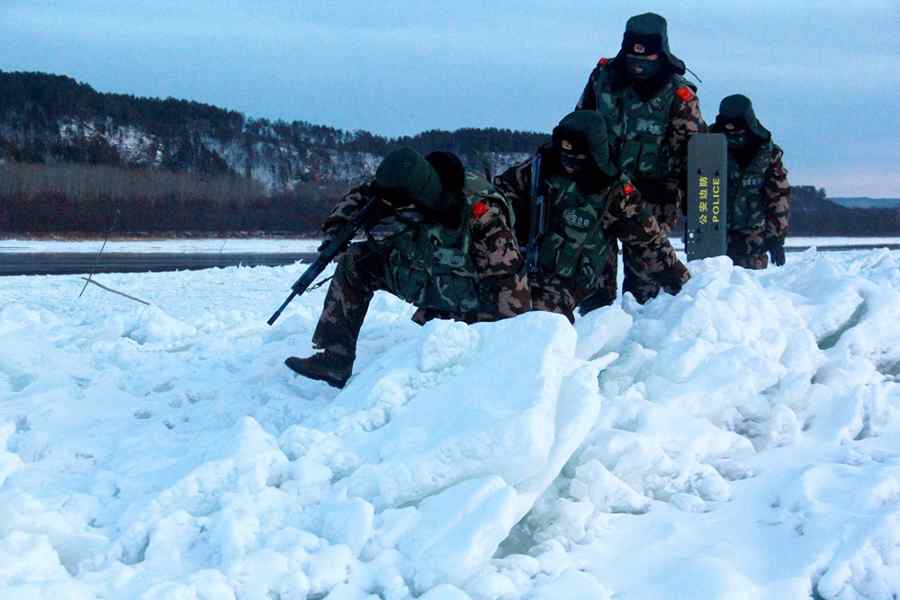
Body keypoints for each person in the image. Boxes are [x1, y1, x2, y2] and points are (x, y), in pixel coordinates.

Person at [285, 148, 529, 388]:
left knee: (443, 354)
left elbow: (511, 286)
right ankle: (334, 359)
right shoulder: (403, 178)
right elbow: (363, 193)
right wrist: (337, 226)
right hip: (427, 269)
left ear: (419, 198)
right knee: (356, 263)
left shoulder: (482, 212)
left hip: (470, 294)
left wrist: (505, 357)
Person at [493, 110, 689, 322]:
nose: (568, 164)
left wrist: (685, 285)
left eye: (576, 159)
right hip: (532, 271)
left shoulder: (616, 191)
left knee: (540, 323)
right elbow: (499, 199)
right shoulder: (536, 170)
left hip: (588, 285)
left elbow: (650, 242)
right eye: (564, 156)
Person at [575, 12, 705, 310]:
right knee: (594, 284)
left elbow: (693, 156)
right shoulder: (603, 80)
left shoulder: (680, 97)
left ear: (661, 54)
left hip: (652, 201)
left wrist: (690, 205)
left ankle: (646, 349)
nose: (639, 65)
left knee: (648, 293)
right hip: (601, 193)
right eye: (634, 58)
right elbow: (581, 123)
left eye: (647, 59)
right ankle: (599, 343)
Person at [710, 94, 790, 269]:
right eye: (726, 124)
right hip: (712, 234)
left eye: (736, 124)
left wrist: (776, 238)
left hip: (753, 238)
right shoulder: (706, 146)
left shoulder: (766, 152)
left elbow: (778, 196)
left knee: (746, 291)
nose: (731, 129)